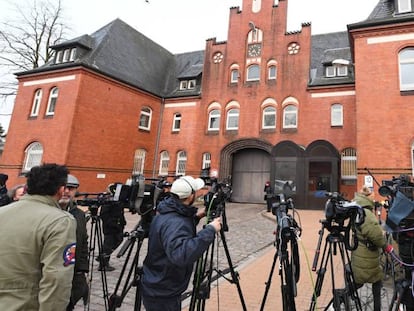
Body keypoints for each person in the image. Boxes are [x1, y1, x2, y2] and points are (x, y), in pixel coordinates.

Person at [0, 163, 77, 311]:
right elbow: (57, 278)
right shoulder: (60, 221)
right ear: (61, 189)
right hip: (25, 304)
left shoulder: (2, 211)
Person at [141, 175, 222, 311]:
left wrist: (196, 217)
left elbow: (176, 228)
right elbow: (182, 254)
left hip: (158, 282)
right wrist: (210, 230)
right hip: (163, 290)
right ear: (190, 196)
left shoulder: (167, 210)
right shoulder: (176, 222)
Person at [351, 185, 388, 311]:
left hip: (359, 252)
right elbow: (376, 236)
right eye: (372, 195)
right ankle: (377, 308)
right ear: (368, 197)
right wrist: (385, 244)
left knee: (359, 281)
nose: (374, 197)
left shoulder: (358, 209)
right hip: (367, 255)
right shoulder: (367, 213)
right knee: (374, 279)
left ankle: (342, 296)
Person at [58, 174, 89, 310]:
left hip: (73, 275)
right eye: (62, 187)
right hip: (53, 275)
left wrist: (82, 270)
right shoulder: (47, 213)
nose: (66, 191)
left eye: (70, 188)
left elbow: (83, 242)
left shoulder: (79, 214)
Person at [98, 183, 127, 271]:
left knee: (118, 240)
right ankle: (103, 263)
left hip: (117, 226)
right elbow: (104, 215)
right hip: (110, 227)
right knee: (108, 244)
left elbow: (120, 212)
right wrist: (112, 224)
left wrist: (122, 222)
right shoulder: (108, 200)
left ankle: (102, 257)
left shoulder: (118, 200)